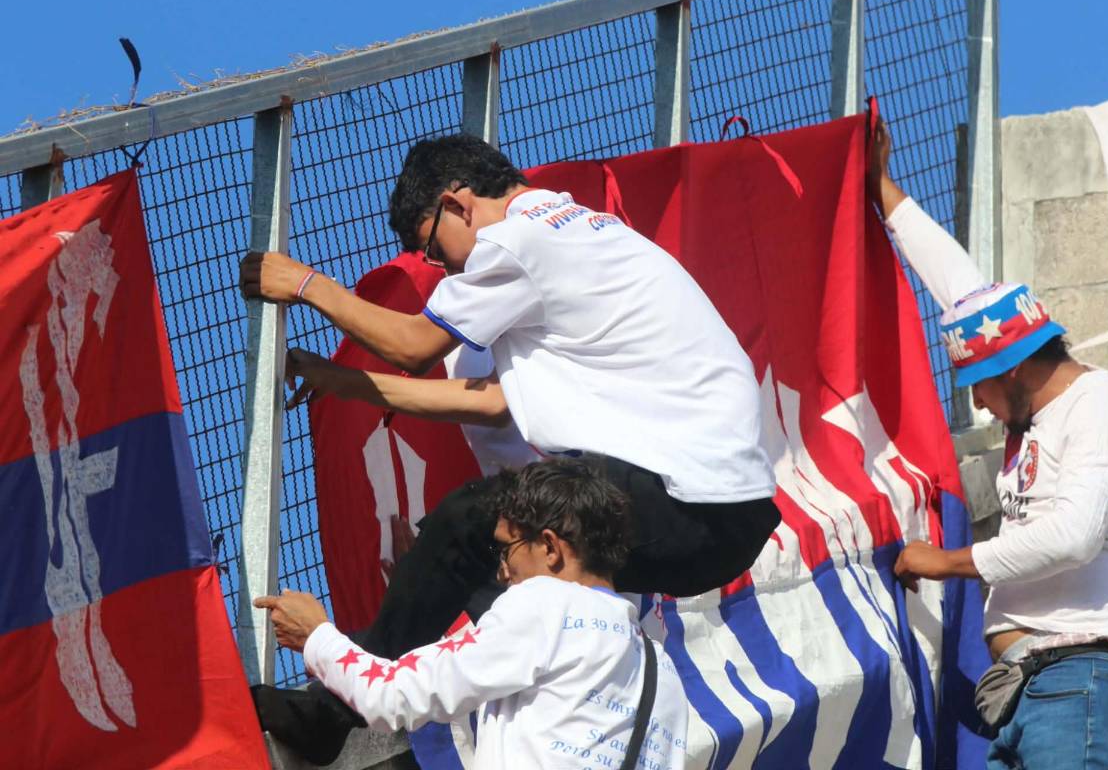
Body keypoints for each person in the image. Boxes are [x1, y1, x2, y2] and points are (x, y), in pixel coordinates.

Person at [240, 134, 780, 763]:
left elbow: (416, 345)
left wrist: (304, 283)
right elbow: (492, 400)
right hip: (721, 514)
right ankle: (425, 727)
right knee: (498, 567)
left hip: (687, 500)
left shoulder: (517, 240)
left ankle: (336, 708)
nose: (444, 272)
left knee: (481, 519)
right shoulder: (573, 226)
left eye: (433, 251)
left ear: (457, 203)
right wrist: (347, 384)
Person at [874, 122, 1108, 768]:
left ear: (1012, 369)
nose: (975, 404)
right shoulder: (1025, 400)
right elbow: (956, 282)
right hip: (1033, 690)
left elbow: (1075, 534)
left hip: (1084, 677)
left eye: (978, 385)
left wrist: (946, 562)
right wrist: (881, 189)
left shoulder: (1099, 406)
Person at [255, 459, 688, 770]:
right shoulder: (660, 666)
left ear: (552, 547)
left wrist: (315, 634)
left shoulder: (544, 606)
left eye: (506, 550)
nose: (501, 572)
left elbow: (391, 695)